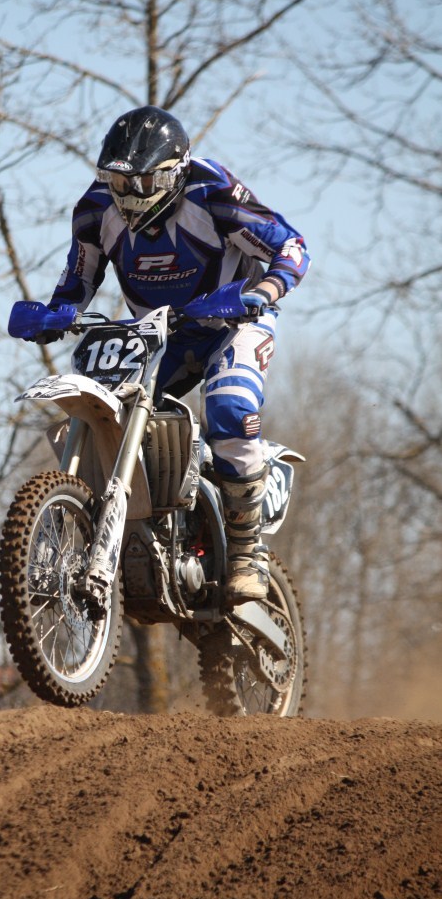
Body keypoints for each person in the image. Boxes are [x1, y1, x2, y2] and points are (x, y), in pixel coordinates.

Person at [44, 105, 310, 602]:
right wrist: (55, 313)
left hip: (235, 321)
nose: (128, 195)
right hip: (160, 333)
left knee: (229, 407)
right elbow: (79, 277)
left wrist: (262, 292)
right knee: (104, 412)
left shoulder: (212, 192)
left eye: (142, 183)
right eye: (118, 182)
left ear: (173, 173)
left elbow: (291, 246)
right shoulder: (95, 209)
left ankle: (246, 554)